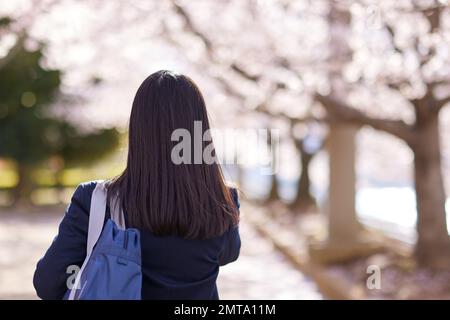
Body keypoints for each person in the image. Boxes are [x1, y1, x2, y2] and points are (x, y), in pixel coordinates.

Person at [33, 70, 241, 300]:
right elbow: (227, 254)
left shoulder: (96, 200)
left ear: (137, 130)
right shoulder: (222, 199)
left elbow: (47, 283)